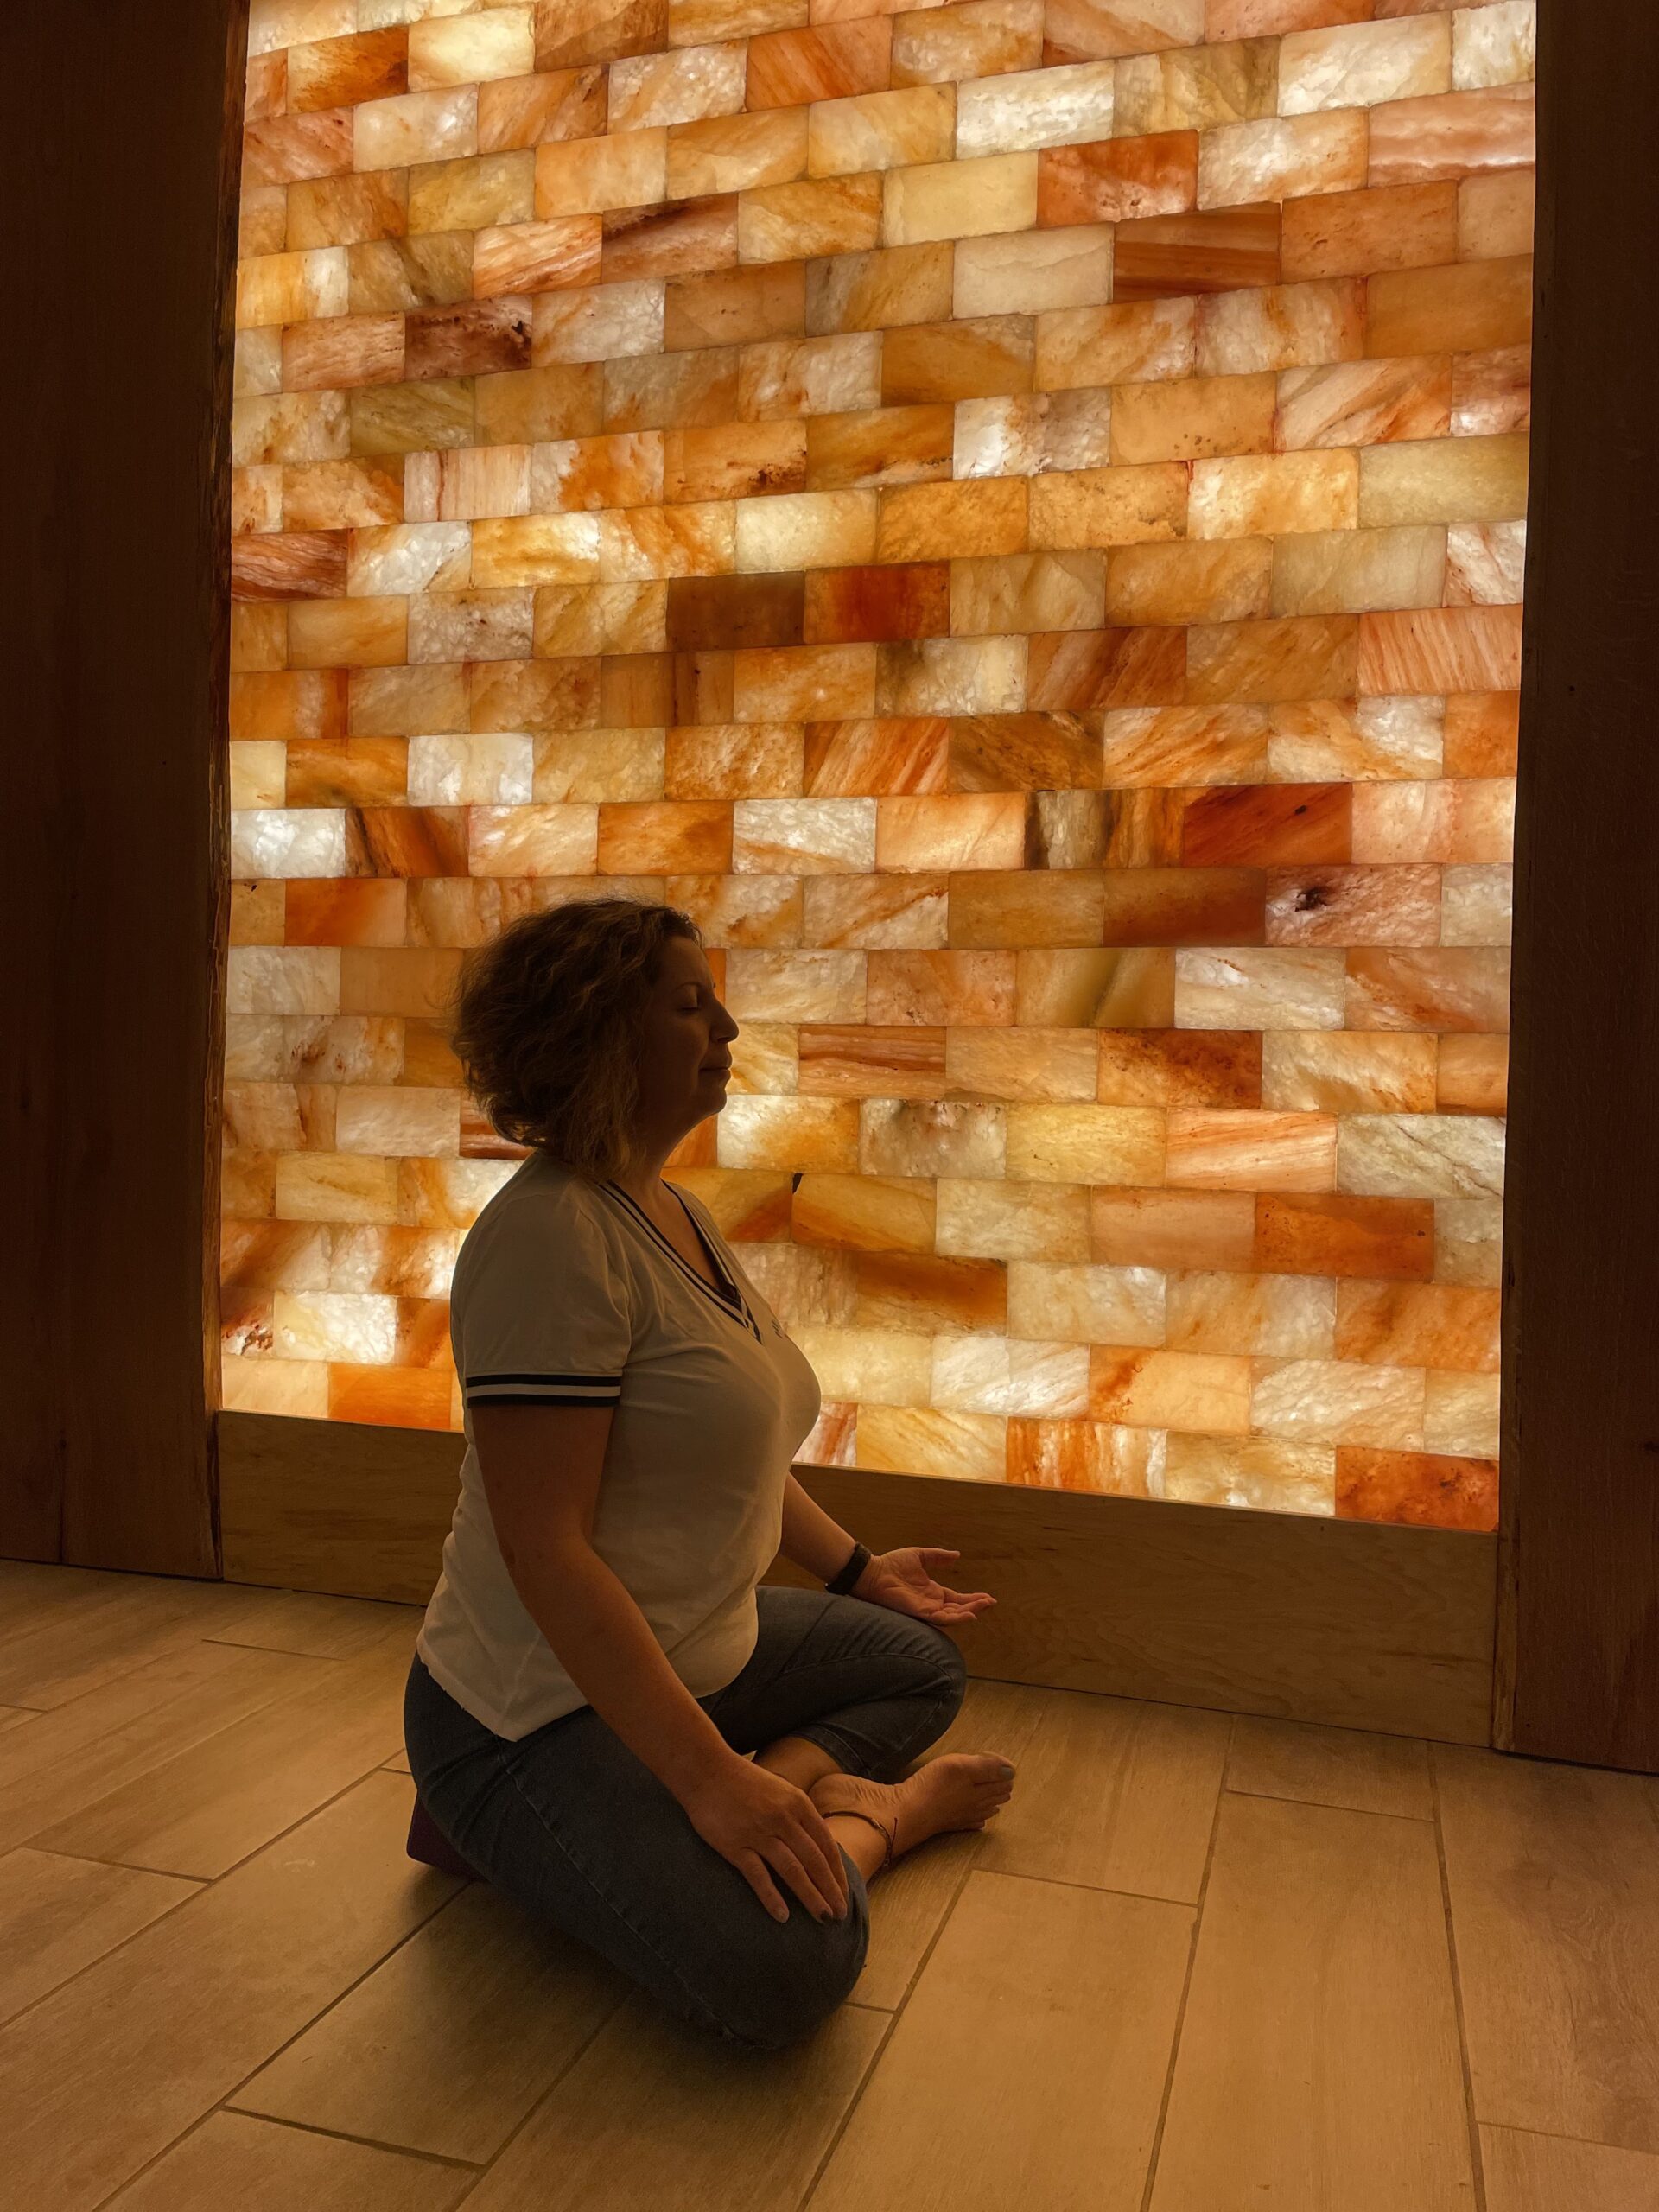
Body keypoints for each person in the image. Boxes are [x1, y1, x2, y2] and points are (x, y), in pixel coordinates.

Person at [403, 896, 1018, 2053]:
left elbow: (731, 1448)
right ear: (594, 1036)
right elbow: (548, 1550)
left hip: (695, 1657)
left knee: (917, 1665)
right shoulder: (549, 1240)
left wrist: (854, 1574)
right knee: (788, 1971)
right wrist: (709, 1785)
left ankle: (785, 1797)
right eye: (691, 1006)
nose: (727, 1027)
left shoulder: (671, 1211)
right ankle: (879, 1821)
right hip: (531, 1718)